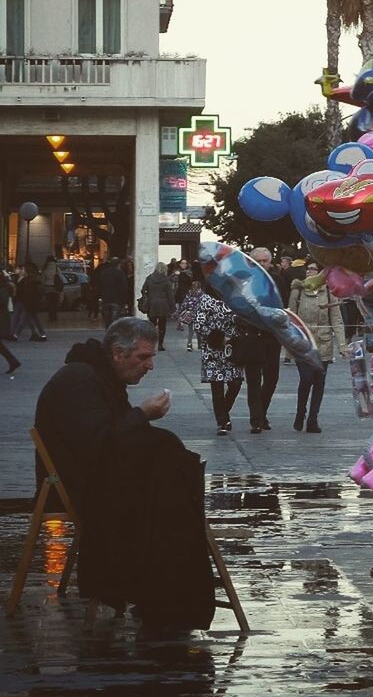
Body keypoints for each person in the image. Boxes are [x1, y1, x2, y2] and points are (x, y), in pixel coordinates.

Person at [35, 317, 214, 629]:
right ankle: (165, 593)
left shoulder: (100, 377)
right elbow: (98, 444)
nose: (150, 366)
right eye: (144, 357)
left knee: (170, 467)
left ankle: (168, 592)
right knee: (169, 494)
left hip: (97, 478)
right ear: (118, 353)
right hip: (79, 485)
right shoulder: (81, 380)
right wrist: (141, 414)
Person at [288, 261, 347, 433]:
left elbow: (336, 320)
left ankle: (313, 419)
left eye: (313, 269)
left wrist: (342, 345)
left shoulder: (329, 292)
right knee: (306, 379)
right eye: (307, 269)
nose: (310, 272)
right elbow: (290, 318)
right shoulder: (297, 291)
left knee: (319, 382)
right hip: (304, 343)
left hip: (324, 343)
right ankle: (300, 413)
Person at [192, 284, 244, 435]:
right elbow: (199, 324)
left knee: (235, 383)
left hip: (232, 348)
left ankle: (223, 411)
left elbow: (243, 318)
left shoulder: (234, 297)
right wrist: (219, 337)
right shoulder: (206, 300)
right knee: (217, 387)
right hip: (213, 349)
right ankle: (222, 421)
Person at [248, 247, 283, 427]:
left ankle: (262, 412)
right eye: (258, 261)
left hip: (272, 336)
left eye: (265, 261)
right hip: (251, 335)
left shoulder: (277, 280)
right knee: (253, 380)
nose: (262, 264)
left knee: (271, 379)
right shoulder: (245, 280)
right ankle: (256, 419)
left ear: (270, 262)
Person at [140, 262, 175, 351]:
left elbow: (143, 290)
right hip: (163, 305)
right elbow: (170, 295)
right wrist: (172, 307)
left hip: (152, 304)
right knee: (162, 326)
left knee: (152, 325)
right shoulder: (167, 280)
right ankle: (160, 345)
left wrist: (147, 297)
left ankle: (151, 344)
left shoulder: (149, 278)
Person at [11, 262, 47, 342]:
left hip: (29, 303)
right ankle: (42, 335)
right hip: (31, 302)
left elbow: (29, 293)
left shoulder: (30, 281)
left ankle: (15, 335)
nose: (23, 270)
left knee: (23, 320)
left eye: (24, 269)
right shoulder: (33, 279)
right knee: (34, 319)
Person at [96, 257, 129, 329]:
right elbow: (124, 287)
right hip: (117, 300)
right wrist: (124, 300)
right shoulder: (120, 273)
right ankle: (113, 334)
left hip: (105, 299)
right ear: (118, 264)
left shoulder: (103, 273)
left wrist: (99, 296)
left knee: (107, 320)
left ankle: (108, 332)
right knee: (115, 320)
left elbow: (99, 285)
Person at [41, 255, 62, 322]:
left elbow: (43, 279)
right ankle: (55, 316)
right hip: (55, 287)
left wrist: (43, 287)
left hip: (47, 287)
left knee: (49, 303)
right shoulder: (56, 268)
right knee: (55, 303)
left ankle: (50, 317)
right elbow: (60, 277)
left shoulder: (45, 268)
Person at [174, 258, 193, 330]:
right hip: (177, 292)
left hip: (185, 292)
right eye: (182, 263)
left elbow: (188, 280)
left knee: (184, 308)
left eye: (185, 263)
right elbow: (171, 279)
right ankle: (180, 322)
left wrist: (180, 274)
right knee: (178, 308)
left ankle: (182, 323)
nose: (184, 265)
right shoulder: (176, 272)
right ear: (180, 264)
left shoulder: (189, 272)